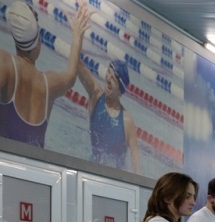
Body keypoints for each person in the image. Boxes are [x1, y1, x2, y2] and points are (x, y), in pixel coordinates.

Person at [0, 2, 91, 147]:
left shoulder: (5, 64)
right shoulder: (49, 84)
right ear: (37, 43)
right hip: (36, 167)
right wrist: (77, 36)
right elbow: (71, 76)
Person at [76, 57, 139, 171]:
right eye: (108, 72)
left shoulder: (127, 122)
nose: (108, 79)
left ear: (120, 90)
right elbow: (78, 64)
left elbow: (136, 168)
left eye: (114, 78)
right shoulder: (96, 96)